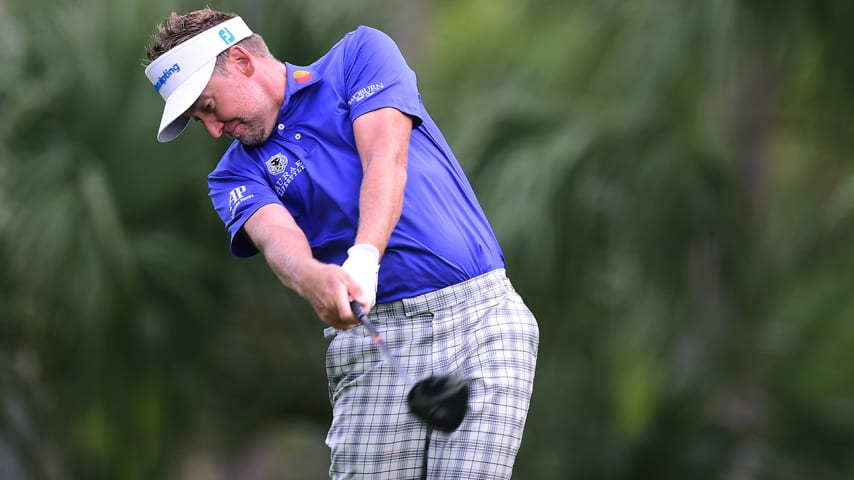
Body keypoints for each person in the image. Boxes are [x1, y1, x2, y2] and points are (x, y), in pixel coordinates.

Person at [143, 8, 539, 479]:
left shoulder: (358, 57)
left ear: (242, 62)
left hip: (482, 321)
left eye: (208, 107)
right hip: (373, 348)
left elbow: (384, 158)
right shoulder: (233, 174)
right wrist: (316, 280)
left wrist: (364, 257)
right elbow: (278, 242)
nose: (211, 128)